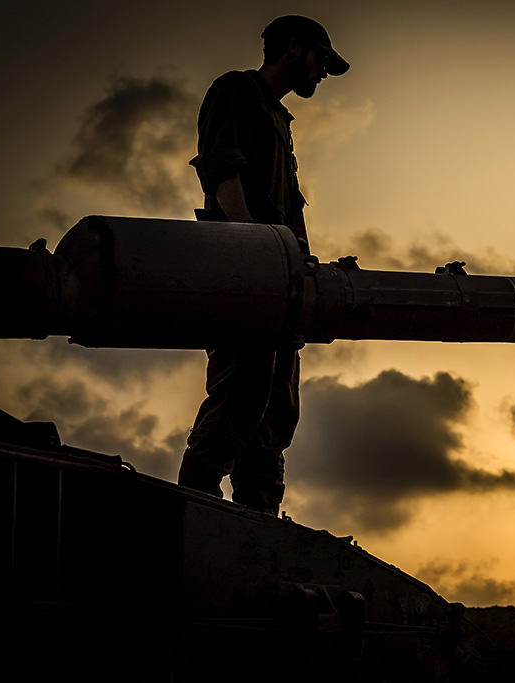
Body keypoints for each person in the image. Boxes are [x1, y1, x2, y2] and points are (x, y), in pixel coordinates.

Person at [177, 16, 349, 514]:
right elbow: (222, 170)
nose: (322, 75)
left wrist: (298, 269)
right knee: (239, 400)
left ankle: (260, 523)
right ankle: (195, 511)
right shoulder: (237, 90)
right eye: (320, 61)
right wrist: (251, 248)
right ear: (294, 49)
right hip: (247, 279)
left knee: (275, 414)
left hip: (282, 285)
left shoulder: (276, 116)